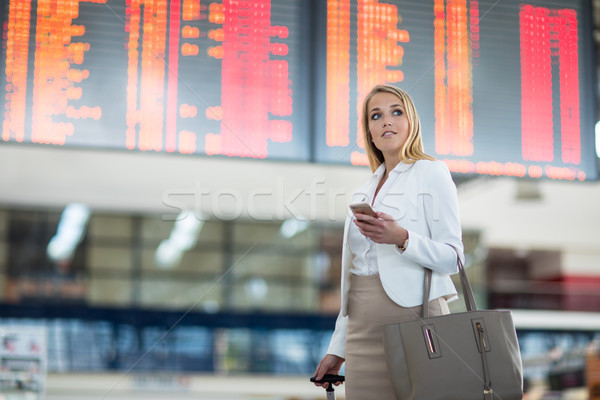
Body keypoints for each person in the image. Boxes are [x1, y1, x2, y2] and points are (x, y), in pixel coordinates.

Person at [313, 84, 464, 399]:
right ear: (368, 131)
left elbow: (454, 258)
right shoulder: (362, 192)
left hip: (415, 315)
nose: (386, 122)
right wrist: (337, 347)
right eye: (376, 116)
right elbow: (352, 277)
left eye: (396, 112)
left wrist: (402, 239)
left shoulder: (431, 173)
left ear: (411, 121)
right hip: (362, 327)